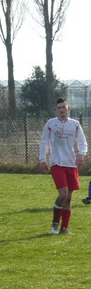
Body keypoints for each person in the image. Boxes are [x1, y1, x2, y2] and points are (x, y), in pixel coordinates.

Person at [39, 97, 88, 235]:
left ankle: (64, 228)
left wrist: (81, 154)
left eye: (63, 107)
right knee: (63, 194)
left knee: (69, 197)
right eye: (59, 108)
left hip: (71, 164)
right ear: (56, 110)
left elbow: (83, 142)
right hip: (57, 163)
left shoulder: (75, 124)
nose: (61, 110)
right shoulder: (51, 123)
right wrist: (42, 159)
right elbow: (44, 143)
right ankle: (55, 224)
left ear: (68, 108)